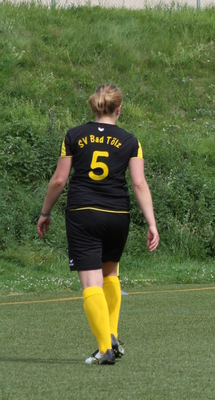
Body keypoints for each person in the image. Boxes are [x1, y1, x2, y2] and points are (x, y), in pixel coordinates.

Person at [37, 83, 159, 365]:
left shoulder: (74, 135)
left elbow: (59, 180)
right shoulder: (131, 141)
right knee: (110, 273)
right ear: (119, 109)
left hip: (83, 213)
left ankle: (105, 349)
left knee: (91, 283)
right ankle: (112, 335)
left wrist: (45, 212)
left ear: (94, 106)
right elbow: (139, 184)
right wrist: (151, 223)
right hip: (118, 215)